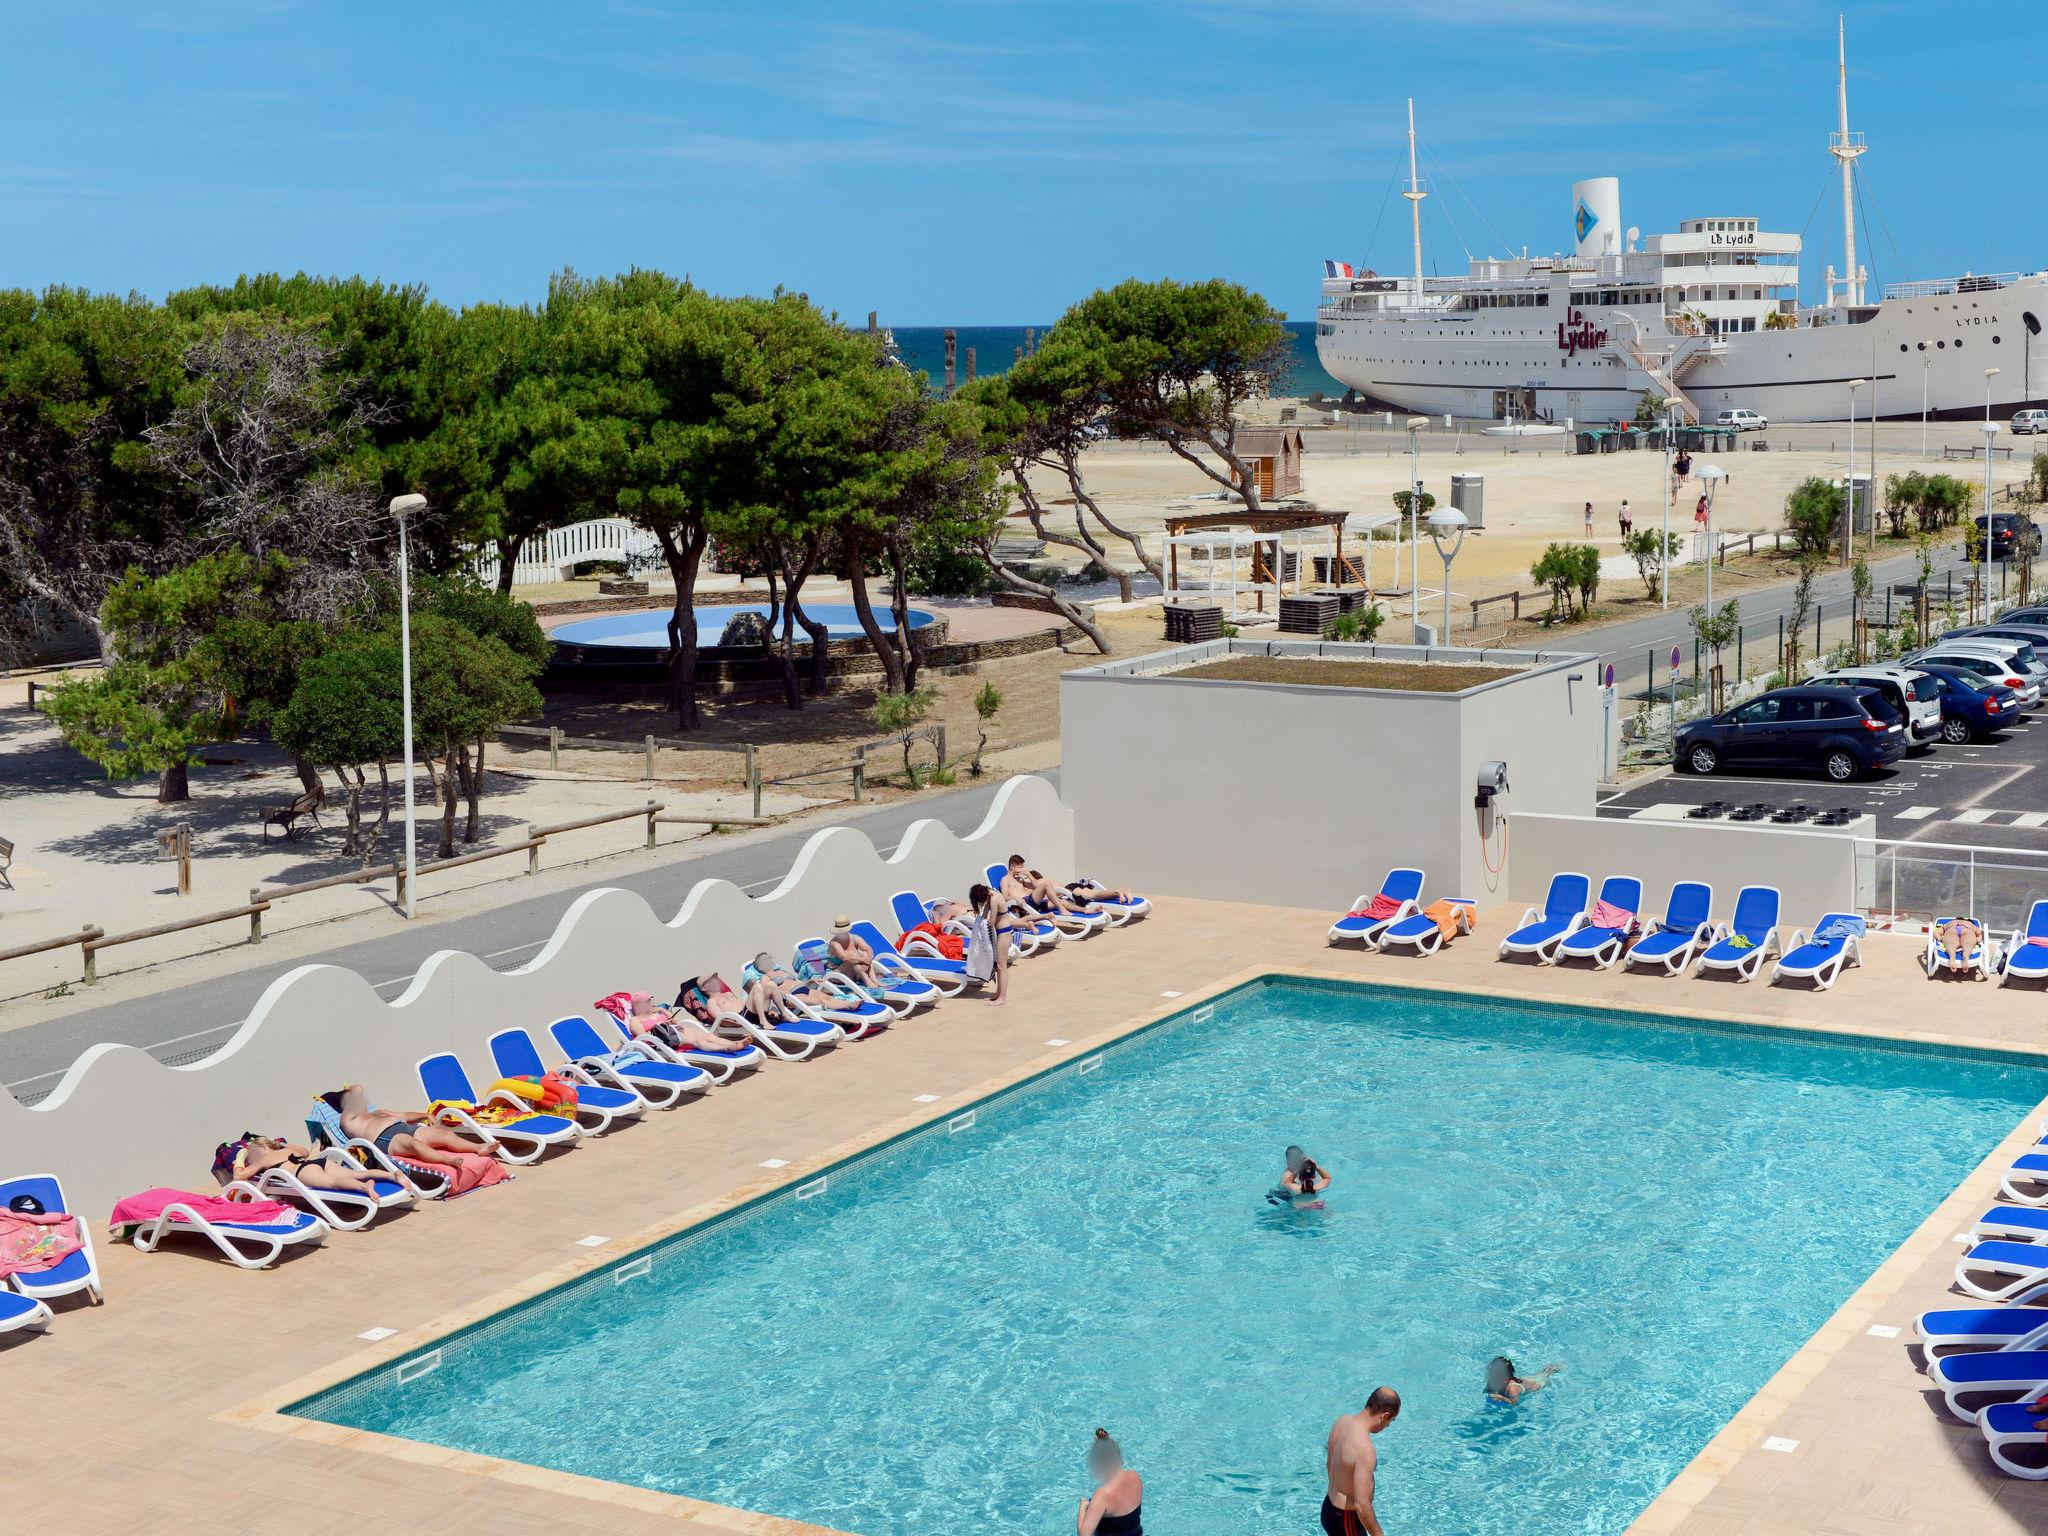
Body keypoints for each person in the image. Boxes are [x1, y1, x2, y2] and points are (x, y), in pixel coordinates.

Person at [316, 1084, 508, 1195]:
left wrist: (425, 1116)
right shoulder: (348, 1119)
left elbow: (404, 1115)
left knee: (444, 1135)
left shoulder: (377, 1112)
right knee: (412, 1144)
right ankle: (447, 1160)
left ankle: (478, 1148)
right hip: (385, 1139)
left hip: (404, 1128)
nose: (362, 1102)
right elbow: (357, 1088)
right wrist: (348, 1093)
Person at [215, 1133, 387, 1200]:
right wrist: (277, 1144)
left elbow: (238, 1177)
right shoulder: (286, 1149)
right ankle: (392, 1175)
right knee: (355, 1173)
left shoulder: (263, 1159)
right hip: (317, 1162)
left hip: (302, 1171)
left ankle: (365, 1187)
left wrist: (241, 1156)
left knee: (333, 1183)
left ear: (262, 1148)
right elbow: (305, 1152)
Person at [1323, 1387, 1400, 1536]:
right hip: (1346, 1519)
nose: (1388, 1426)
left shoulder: (1341, 1422)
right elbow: (1362, 1504)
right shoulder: (1364, 1449)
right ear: (1384, 1416)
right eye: (1391, 1421)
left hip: (1329, 1508)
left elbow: (1329, 1465)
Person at [1077, 1427, 1143, 1536]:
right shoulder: (1134, 1476)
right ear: (1118, 1456)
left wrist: (1083, 1507)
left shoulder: (1102, 1496)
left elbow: (1084, 1534)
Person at [966, 881, 1012, 1006]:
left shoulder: (994, 899)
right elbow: (984, 916)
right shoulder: (990, 896)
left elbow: (991, 921)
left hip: (1004, 933)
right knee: (998, 966)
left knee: (1002, 966)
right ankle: (998, 994)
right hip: (1000, 932)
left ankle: (1003, 997)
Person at [826, 917, 882, 988]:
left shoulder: (854, 938)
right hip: (836, 975)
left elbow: (868, 949)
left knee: (864, 953)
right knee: (852, 957)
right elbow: (845, 957)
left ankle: (874, 980)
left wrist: (866, 962)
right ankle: (868, 981)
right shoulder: (834, 943)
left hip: (855, 973)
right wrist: (864, 960)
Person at [1485, 1356, 1563, 1404]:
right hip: (1525, 1380)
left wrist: (1502, 1398)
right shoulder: (1493, 1381)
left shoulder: (1513, 1389)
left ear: (1505, 1379)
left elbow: (1514, 1403)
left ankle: (1556, 1368)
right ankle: (1549, 1369)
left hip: (1539, 1384)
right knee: (1540, 1374)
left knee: (1544, 1375)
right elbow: (1487, 1391)